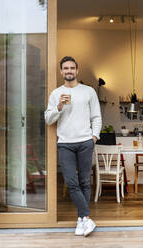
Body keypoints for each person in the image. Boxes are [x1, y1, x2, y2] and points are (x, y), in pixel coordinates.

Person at [44, 56, 102, 237]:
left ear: (77, 71)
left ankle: (81, 220)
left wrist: (94, 136)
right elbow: (48, 119)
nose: (69, 71)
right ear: (61, 71)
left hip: (85, 142)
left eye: (72, 68)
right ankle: (87, 217)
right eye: (65, 68)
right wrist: (59, 107)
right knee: (71, 182)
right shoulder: (55, 94)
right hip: (65, 144)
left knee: (85, 181)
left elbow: (96, 117)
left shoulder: (89, 91)